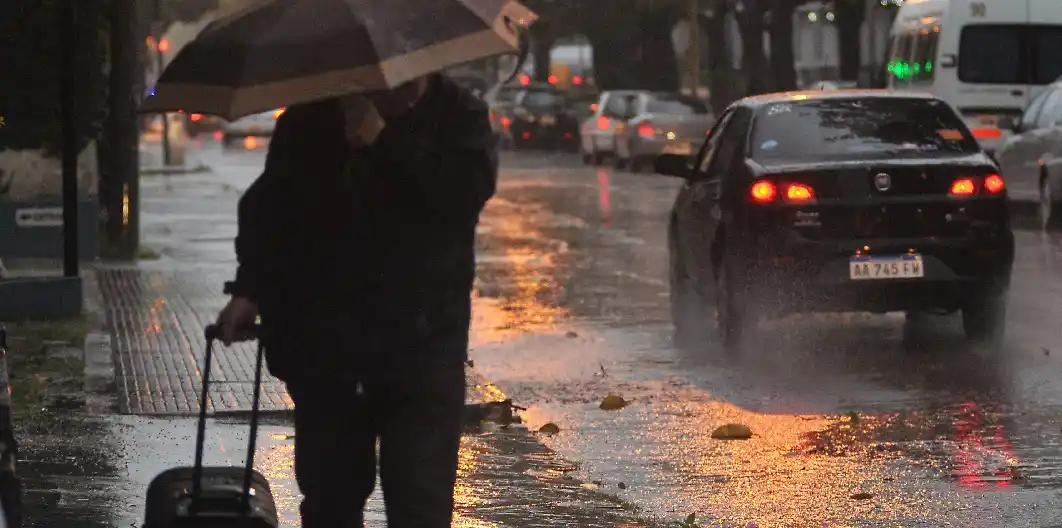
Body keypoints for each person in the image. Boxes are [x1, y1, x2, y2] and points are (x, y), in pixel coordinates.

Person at [214, 73, 498, 527]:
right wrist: (250, 290)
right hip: (328, 350)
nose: (397, 90)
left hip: (423, 346)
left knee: (421, 503)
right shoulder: (315, 115)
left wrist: (383, 141)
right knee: (331, 502)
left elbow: (460, 198)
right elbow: (272, 212)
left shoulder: (458, 114)